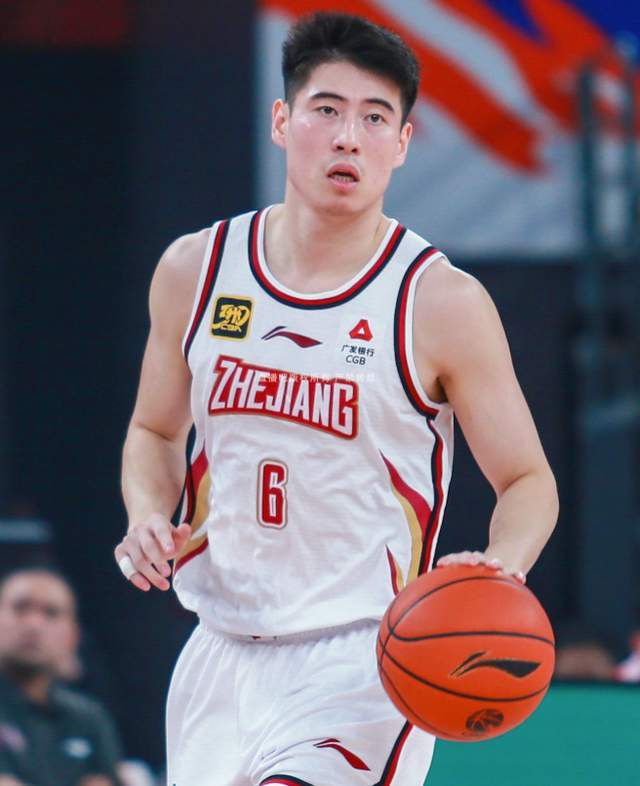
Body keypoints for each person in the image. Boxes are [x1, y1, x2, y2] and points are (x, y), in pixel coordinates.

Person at [115, 12, 558, 785]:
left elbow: (528, 480)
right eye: (327, 110)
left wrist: (500, 567)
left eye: (375, 118)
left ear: (403, 142)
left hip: (364, 661)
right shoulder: (196, 269)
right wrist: (148, 513)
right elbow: (154, 430)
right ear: (282, 122)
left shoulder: (439, 301)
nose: (349, 137)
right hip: (217, 652)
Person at [0, 568, 122, 786]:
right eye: (20, 608)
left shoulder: (88, 718)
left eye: (51, 613)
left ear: (72, 636)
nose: (34, 624)